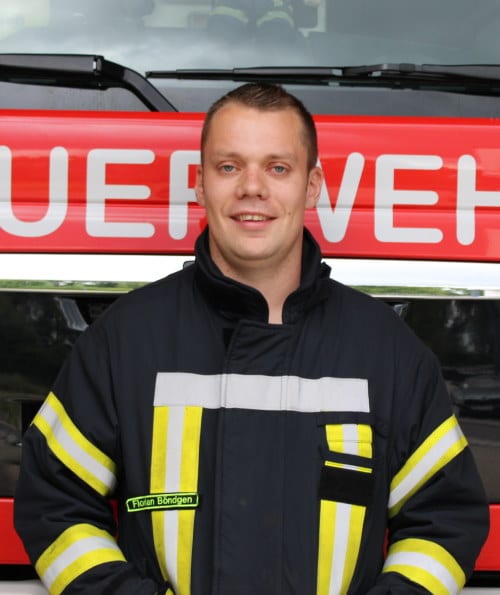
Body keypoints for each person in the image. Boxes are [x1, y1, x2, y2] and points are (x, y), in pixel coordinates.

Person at [15, 83, 489, 594]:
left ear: (311, 187)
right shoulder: (125, 340)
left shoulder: (386, 350)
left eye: (278, 168)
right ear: (200, 185)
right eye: (229, 167)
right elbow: (55, 507)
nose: (252, 188)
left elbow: (445, 521)